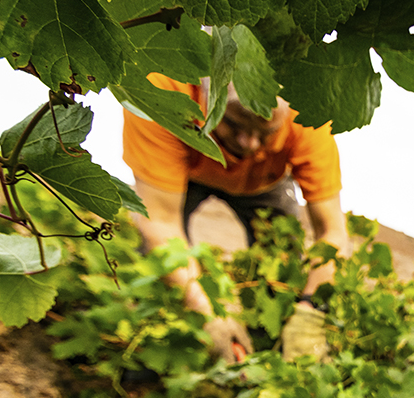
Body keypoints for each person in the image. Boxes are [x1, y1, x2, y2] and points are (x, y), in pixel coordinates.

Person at [122, 75, 352, 362]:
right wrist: (203, 308)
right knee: (155, 256)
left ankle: (266, 344)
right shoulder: (161, 91)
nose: (249, 142)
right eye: (233, 123)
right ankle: (152, 346)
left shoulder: (309, 118)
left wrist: (311, 311)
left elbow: (332, 232)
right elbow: (160, 220)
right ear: (207, 99)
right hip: (186, 168)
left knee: (283, 262)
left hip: (265, 181)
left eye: (265, 132)